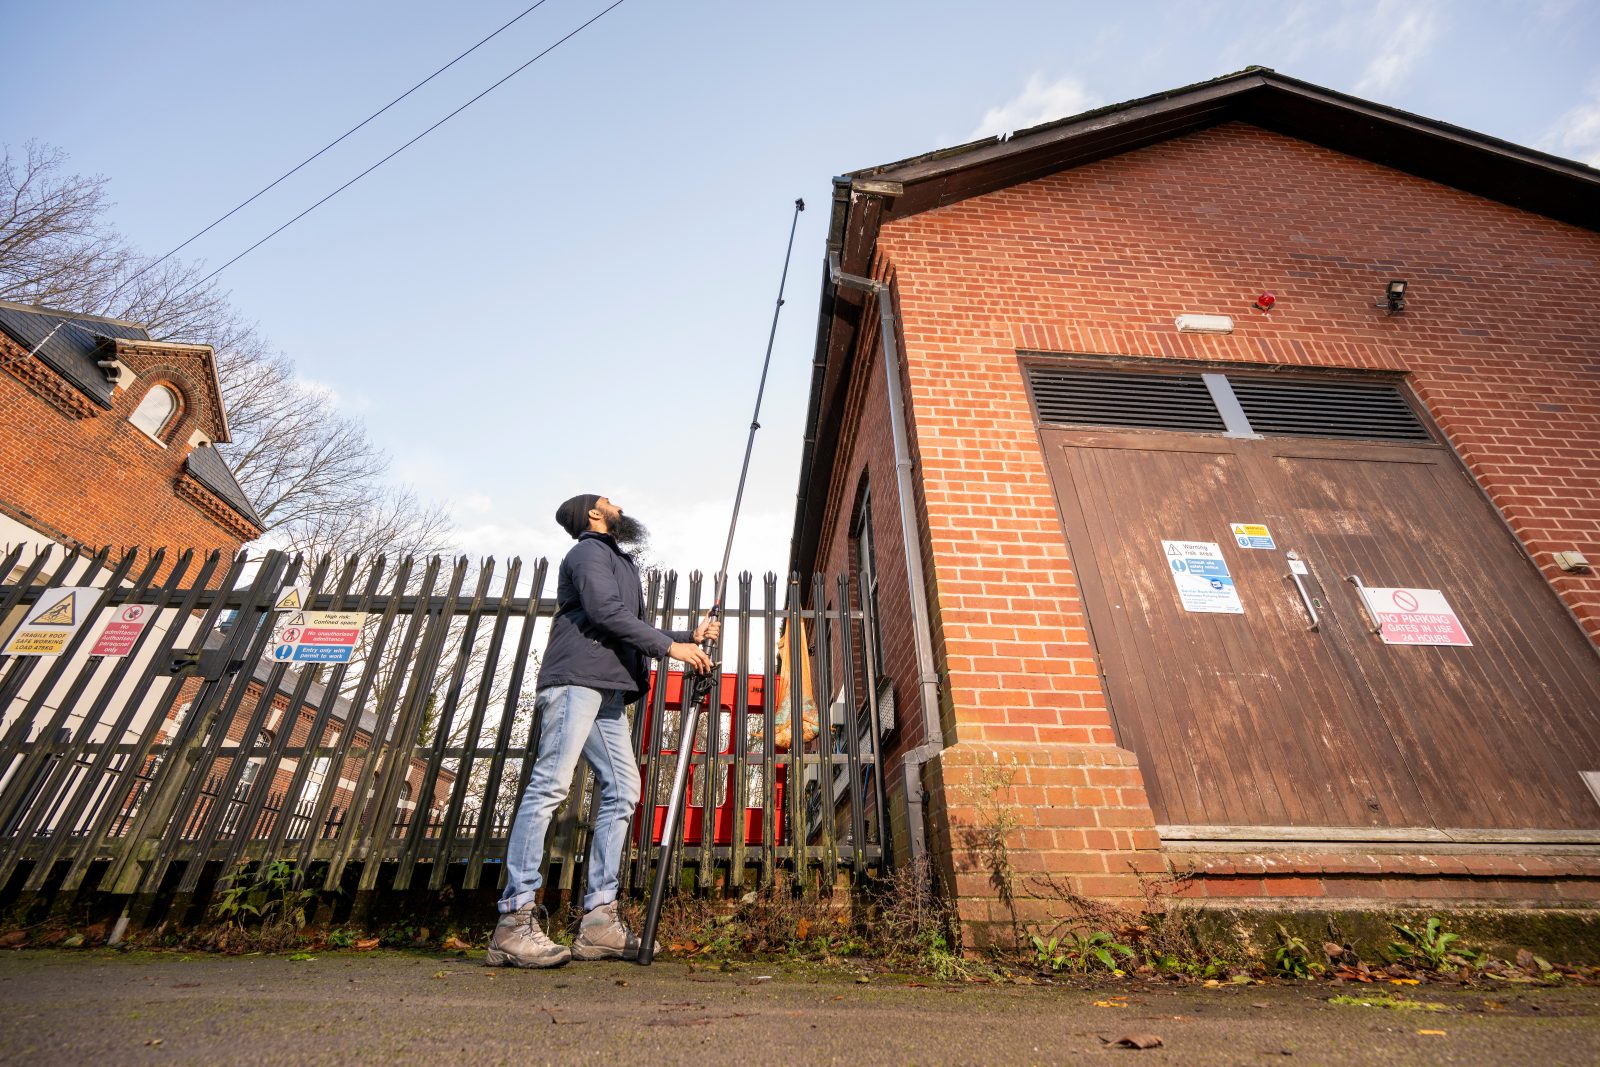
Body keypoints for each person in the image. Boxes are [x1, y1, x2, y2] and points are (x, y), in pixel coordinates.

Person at [487, 493, 718, 968]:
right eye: (610, 502)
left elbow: (624, 622)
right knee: (550, 785)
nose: (619, 506)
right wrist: (669, 651)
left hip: (606, 688)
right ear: (594, 515)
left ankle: (598, 923)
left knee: (623, 790)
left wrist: (684, 638)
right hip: (576, 682)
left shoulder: (615, 559)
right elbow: (605, 615)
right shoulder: (589, 552)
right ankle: (513, 920)